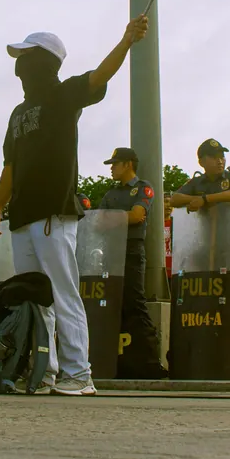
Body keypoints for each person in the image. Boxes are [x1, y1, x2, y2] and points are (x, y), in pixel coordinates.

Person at [0, 16, 149, 396]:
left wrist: (126, 40)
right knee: (33, 299)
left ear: (42, 61)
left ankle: (79, 373)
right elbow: (11, 165)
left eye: (25, 57)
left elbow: (99, 75)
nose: (19, 66)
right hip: (22, 217)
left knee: (62, 292)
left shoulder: (63, 95)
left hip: (54, 214)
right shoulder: (17, 113)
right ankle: (44, 371)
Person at [171, 138, 230, 378]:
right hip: (206, 252)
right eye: (214, 156)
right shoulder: (196, 182)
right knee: (208, 304)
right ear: (202, 161)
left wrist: (206, 200)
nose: (220, 160)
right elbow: (175, 199)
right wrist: (194, 200)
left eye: (222, 155)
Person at [99, 147, 164, 378]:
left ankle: (149, 360)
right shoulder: (111, 194)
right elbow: (97, 223)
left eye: (115, 164)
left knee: (135, 302)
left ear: (128, 164)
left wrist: (112, 219)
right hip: (111, 252)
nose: (111, 169)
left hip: (132, 251)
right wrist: (123, 217)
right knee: (111, 303)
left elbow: (138, 216)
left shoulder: (143, 187)